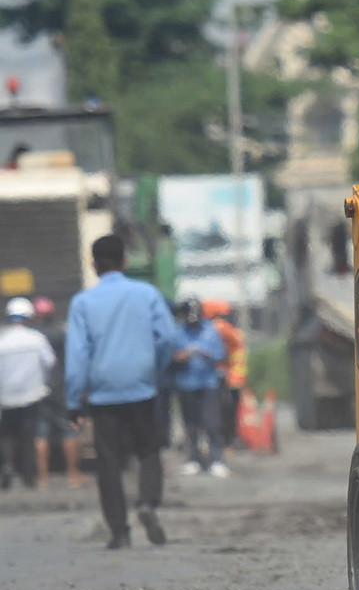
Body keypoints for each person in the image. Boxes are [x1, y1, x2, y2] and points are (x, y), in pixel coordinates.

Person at [65, 234, 177, 549]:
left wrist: (74, 400)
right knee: (149, 450)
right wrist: (153, 366)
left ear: (94, 264)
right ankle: (148, 503)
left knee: (109, 462)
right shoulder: (147, 294)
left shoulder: (83, 302)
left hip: (103, 393)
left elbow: (77, 357)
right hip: (142, 387)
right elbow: (168, 337)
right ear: (125, 261)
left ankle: (120, 532)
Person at [0, 297, 55, 490]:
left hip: (6, 397)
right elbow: (49, 362)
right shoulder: (36, 339)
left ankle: (7, 466)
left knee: (6, 436)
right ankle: (29, 475)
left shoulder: (2, 341)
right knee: (28, 435)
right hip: (32, 395)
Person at [29, 297, 84, 488]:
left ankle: (43, 478)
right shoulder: (61, 333)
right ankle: (73, 475)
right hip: (61, 388)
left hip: (38, 389)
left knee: (40, 433)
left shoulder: (31, 335)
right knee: (68, 430)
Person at [171, 297, 229, 477]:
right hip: (186, 384)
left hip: (208, 384)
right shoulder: (179, 332)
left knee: (211, 423)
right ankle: (194, 459)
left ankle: (216, 459)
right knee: (191, 424)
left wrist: (205, 353)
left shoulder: (211, 331)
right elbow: (172, 356)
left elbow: (220, 355)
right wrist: (182, 356)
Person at [205, 301, 247, 450]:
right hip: (235, 375)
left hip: (227, 376)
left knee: (224, 410)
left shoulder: (218, 327)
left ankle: (227, 440)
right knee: (230, 410)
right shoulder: (230, 329)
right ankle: (230, 439)